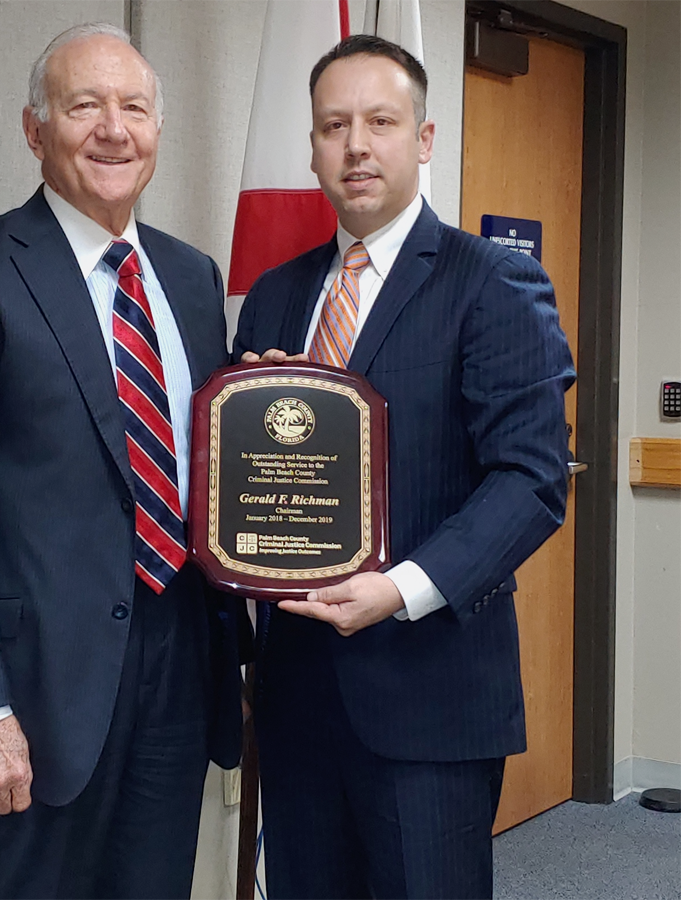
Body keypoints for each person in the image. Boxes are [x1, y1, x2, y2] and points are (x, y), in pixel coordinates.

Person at [0, 23, 245, 900]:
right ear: (34, 127)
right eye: (84, 105)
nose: (113, 129)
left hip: (180, 660)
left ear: (158, 130)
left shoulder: (193, 278)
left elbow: (204, 471)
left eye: (134, 107)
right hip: (34, 688)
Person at [233, 34, 575, 900]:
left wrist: (403, 587)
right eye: (333, 126)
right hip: (297, 695)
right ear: (311, 147)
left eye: (380, 121)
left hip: (431, 695)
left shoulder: (492, 282)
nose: (356, 145)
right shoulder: (275, 294)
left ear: (422, 139)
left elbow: (531, 479)